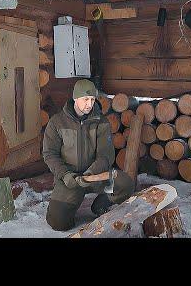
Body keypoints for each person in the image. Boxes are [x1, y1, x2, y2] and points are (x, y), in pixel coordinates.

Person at [42, 79, 135, 231]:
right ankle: (69, 204)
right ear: (75, 98)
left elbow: (106, 155)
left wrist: (90, 174)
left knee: (125, 183)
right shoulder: (57, 122)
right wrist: (65, 175)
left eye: (92, 99)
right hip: (70, 181)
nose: (89, 104)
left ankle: (101, 205)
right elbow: (50, 155)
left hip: (95, 177)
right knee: (58, 222)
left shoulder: (101, 122)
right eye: (86, 99)